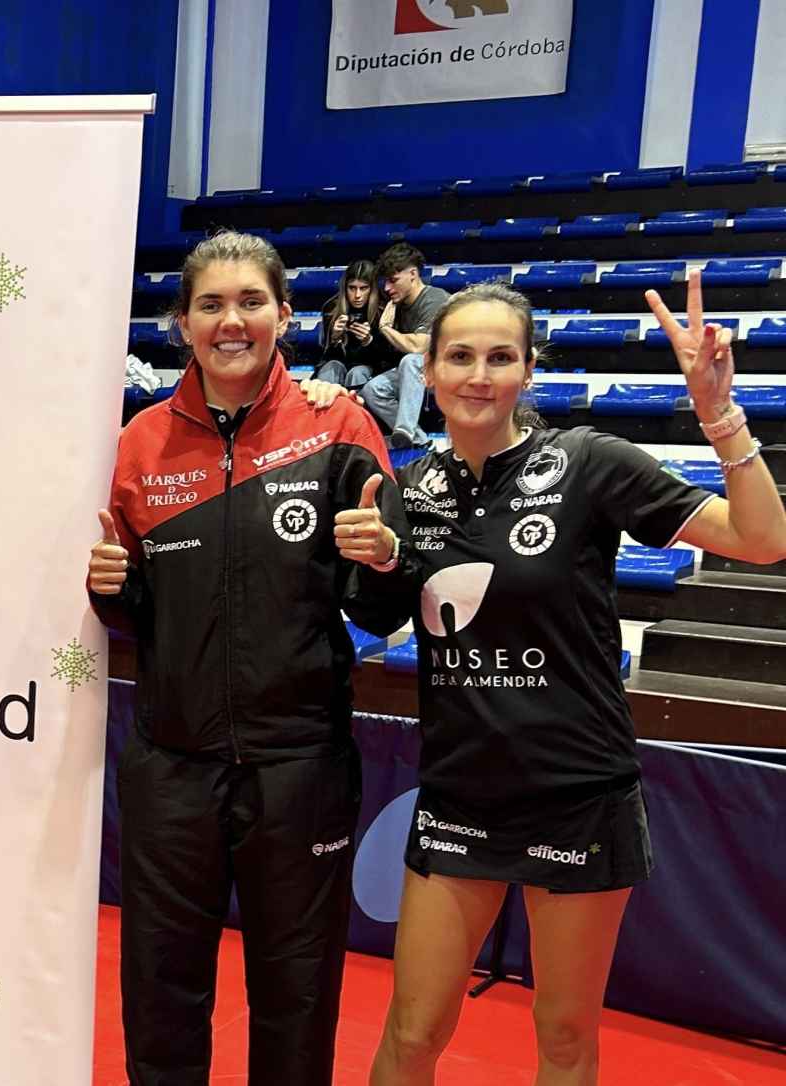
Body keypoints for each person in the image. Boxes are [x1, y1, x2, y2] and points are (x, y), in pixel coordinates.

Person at [335, 277, 786, 1085]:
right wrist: (373, 560)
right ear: (429, 372)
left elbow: (760, 538)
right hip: (460, 792)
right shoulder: (410, 491)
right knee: (409, 1034)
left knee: (566, 1039)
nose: (480, 375)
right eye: (461, 356)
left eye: (501, 357)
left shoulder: (589, 463)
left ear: (528, 372)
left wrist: (722, 415)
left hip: (577, 791)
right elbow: (376, 615)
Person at [87, 231, 411, 1085]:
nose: (232, 321)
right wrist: (110, 588)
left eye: (250, 302)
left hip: (298, 766)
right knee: (161, 990)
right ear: (182, 324)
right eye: (211, 305)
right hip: (171, 765)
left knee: (296, 994)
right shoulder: (139, 444)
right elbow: (136, 615)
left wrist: (384, 557)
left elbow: (382, 601)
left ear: (284, 314)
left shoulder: (338, 426)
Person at [358, 243, 453, 449]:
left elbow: (419, 347)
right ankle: (418, 440)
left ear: (413, 273)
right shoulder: (397, 305)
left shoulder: (435, 299)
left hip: (450, 368)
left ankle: (404, 430)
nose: (387, 288)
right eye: (385, 282)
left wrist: (385, 328)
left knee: (411, 360)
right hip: (423, 372)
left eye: (393, 281)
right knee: (373, 389)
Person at [314, 258, 396, 390]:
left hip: (371, 369)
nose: (357, 295)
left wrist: (369, 341)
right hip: (339, 364)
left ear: (372, 288)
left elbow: (387, 360)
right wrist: (335, 338)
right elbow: (325, 357)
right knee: (331, 367)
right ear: (345, 288)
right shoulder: (331, 308)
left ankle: (356, 410)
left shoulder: (384, 308)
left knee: (358, 372)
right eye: (352, 288)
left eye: (363, 288)